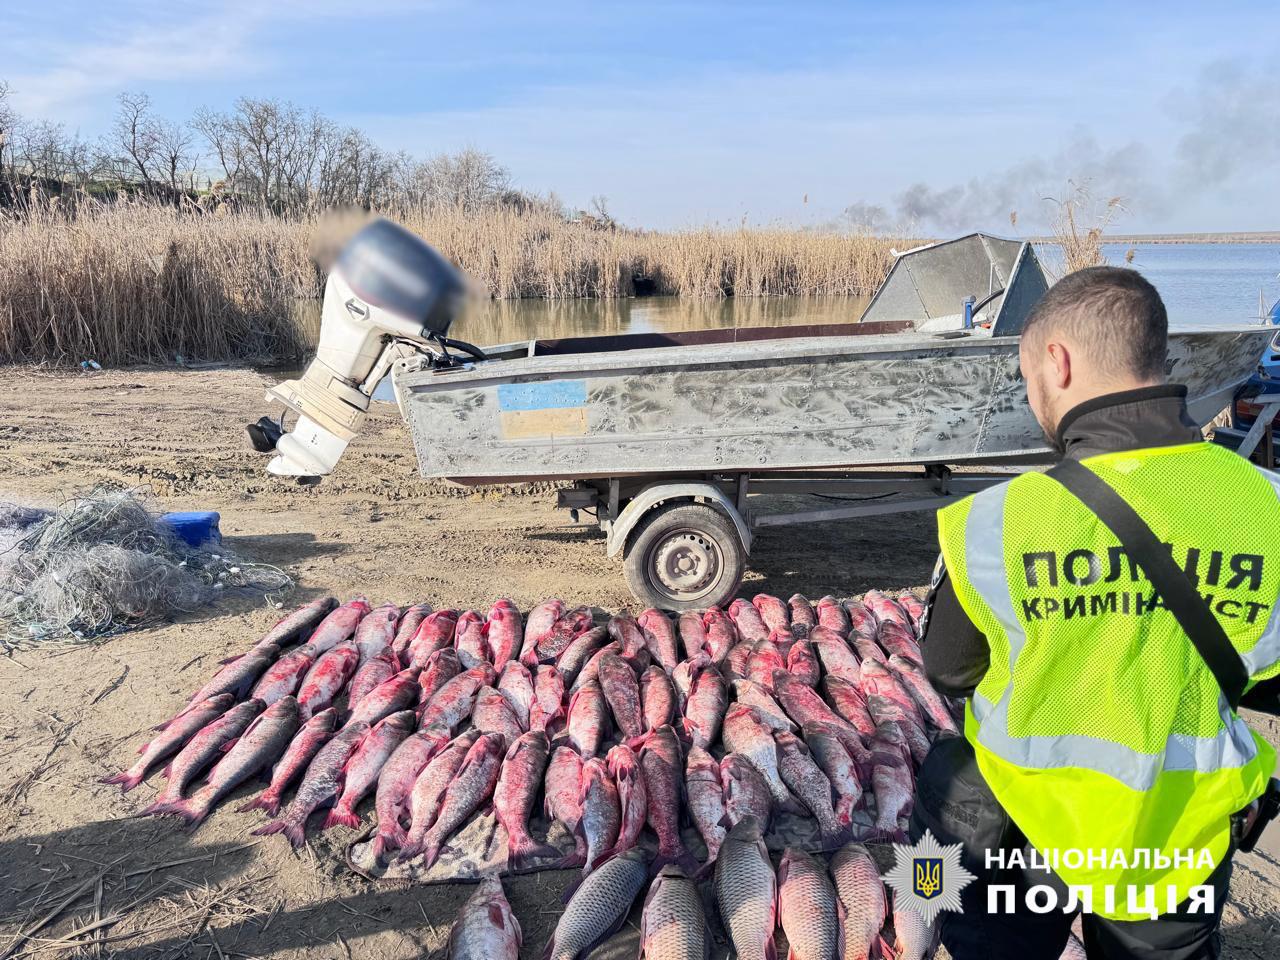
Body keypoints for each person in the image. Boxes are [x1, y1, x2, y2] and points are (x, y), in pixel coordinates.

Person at [912, 266, 1280, 960]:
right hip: (1174, 843)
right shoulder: (1268, 506)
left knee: (938, 815)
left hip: (1010, 837)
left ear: (1058, 361)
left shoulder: (993, 522)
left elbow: (951, 671)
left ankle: (918, 905)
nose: (1034, 397)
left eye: (1028, 379)